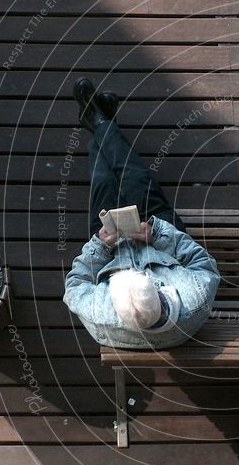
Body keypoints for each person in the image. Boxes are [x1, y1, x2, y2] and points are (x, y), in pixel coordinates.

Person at [63, 78, 220, 349]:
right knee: (134, 176)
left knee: (104, 181)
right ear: (159, 290)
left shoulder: (100, 313)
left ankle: (98, 122)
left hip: (110, 246)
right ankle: (101, 121)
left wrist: (101, 246)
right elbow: (204, 263)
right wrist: (158, 234)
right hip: (160, 238)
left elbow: (75, 286)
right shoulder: (193, 301)